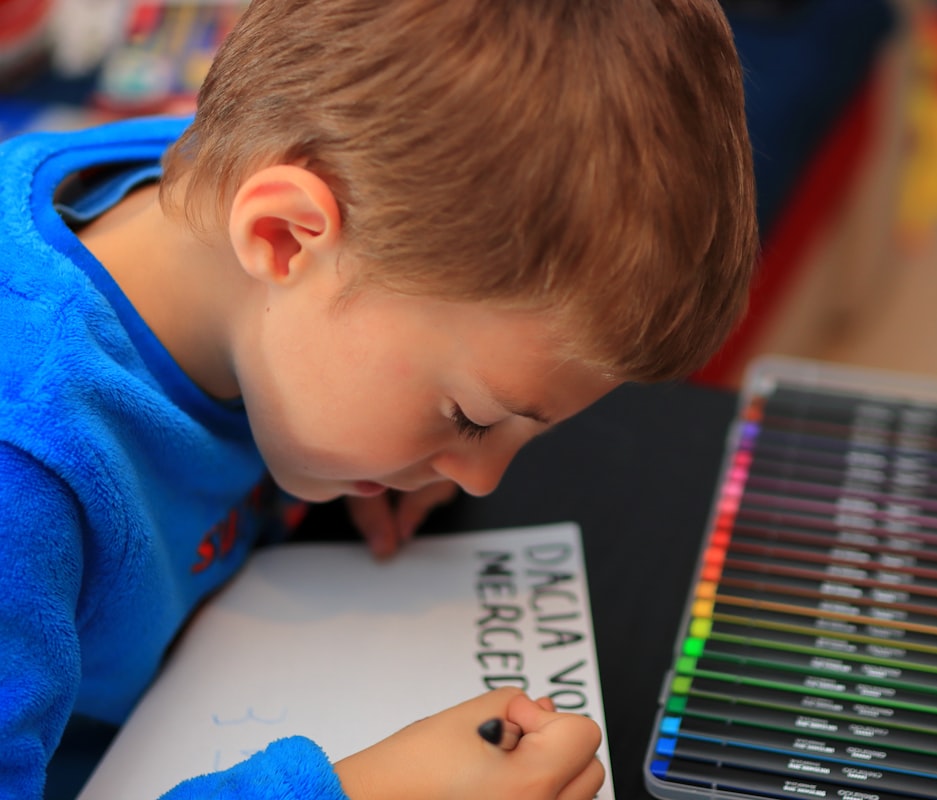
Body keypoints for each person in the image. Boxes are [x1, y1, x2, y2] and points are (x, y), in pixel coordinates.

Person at [0, 0, 758, 797]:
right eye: (472, 417)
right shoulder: (26, 469)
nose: (479, 479)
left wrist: (407, 444)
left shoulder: (224, 195)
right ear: (284, 236)